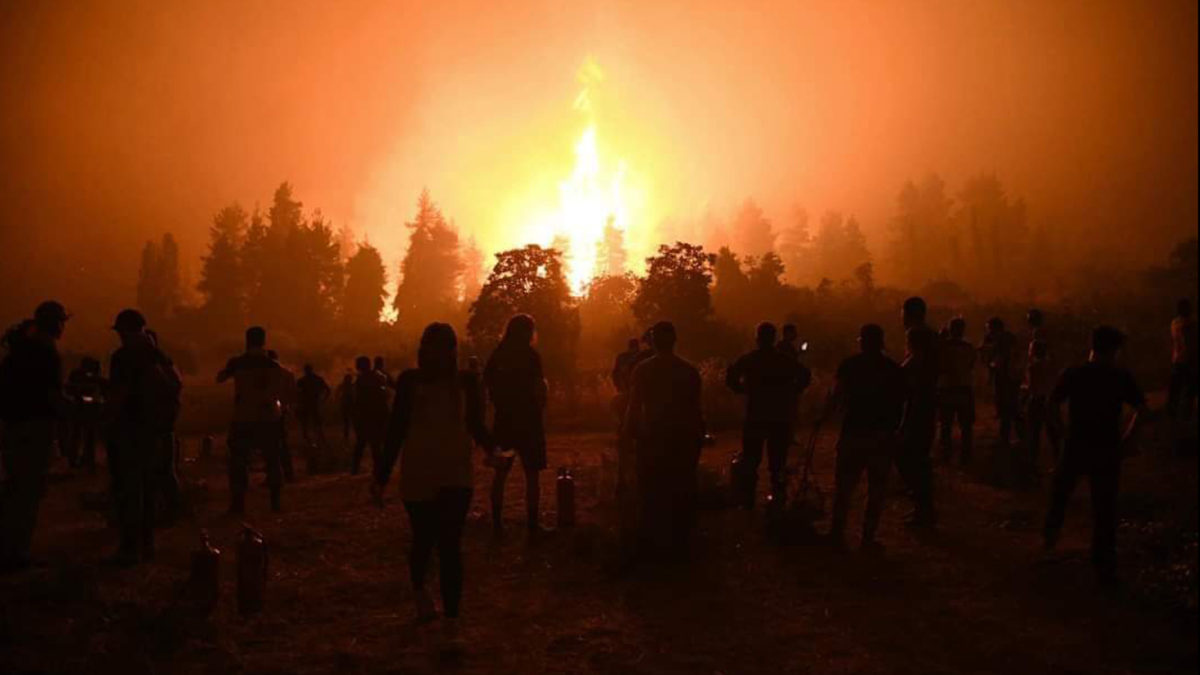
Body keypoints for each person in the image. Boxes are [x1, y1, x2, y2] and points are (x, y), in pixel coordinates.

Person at [372, 323, 494, 635]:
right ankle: (424, 596)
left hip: (452, 474)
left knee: (449, 544)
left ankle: (450, 616)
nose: (441, 354)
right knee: (427, 541)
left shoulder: (465, 383)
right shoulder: (411, 383)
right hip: (423, 474)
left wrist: (494, 450)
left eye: (445, 348)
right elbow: (397, 430)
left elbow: (476, 425)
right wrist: (382, 474)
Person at [1044, 326, 1149, 586]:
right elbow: (1142, 408)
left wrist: (1061, 431)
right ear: (1115, 350)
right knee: (1104, 508)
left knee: (1060, 492)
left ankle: (1051, 534)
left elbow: (1051, 404)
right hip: (1107, 447)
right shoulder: (1120, 377)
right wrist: (1129, 438)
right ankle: (1104, 567)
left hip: (1076, 443)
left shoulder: (1074, 373)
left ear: (1091, 345)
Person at [105, 310, 182, 565]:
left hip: (130, 430)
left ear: (123, 330)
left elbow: (119, 395)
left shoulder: (123, 357)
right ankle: (148, 545)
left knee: (128, 490)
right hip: (158, 430)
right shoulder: (159, 355)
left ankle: (129, 547)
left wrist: (107, 419)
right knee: (149, 490)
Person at [622, 321, 704, 560]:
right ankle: (682, 543)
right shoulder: (689, 371)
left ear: (653, 342)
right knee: (682, 487)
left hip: (653, 437)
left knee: (651, 490)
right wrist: (698, 435)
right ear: (674, 341)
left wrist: (628, 435)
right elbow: (696, 409)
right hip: (682, 438)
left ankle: (653, 543)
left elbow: (634, 406)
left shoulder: (643, 370)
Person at [824, 324, 906, 552]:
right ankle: (867, 538)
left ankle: (837, 533)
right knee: (876, 489)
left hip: (854, 432)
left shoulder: (850, 366)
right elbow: (902, 402)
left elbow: (836, 396)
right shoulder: (892, 368)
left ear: (861, 341)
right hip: (882, 435)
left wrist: (824, 417)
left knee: (844, 487)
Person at [0, 301, 68, 572]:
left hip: (13, 426)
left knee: (12, 488)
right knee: (29, 492)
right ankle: (17, 553)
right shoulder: (48, 353)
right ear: (56, 324)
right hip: (37, 427)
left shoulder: (17, 352)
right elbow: (52, 396)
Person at [725, 322, 812, 508]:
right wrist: (792, 391)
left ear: (757, 339)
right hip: (779, 417)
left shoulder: (750, 359)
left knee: (750, 461)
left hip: (755, 416)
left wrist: (743, 389)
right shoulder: (784, 360)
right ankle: (777, 501)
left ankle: (749, 501)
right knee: (777, 463)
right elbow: (805, 375)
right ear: (773, 339)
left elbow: (730, 377)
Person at [483, 314, 549, 536]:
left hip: (505, 424)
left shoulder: (498, 355)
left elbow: (488, 384)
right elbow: (539, 388)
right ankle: (532, 525)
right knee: (532, 475)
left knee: (500, 474)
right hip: (529, 423)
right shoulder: (531, 357)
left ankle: (497, 524)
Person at [217, 326, 288, 514]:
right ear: (264, 341)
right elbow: (286, 382)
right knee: (272, 459)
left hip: (243, 417)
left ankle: (238, 504)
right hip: (269, 417)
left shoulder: (237, 363)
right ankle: (275, 502)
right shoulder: (273, 364)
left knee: (238, 461)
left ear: (247, 340)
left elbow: (220, 378)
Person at [897, 297, 939, 528]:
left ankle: (923, 506)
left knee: (906, 453)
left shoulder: (916, 333)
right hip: (929, 399)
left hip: (918, 401)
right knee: (919, 455)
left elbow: (915, 362)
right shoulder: (932, 334)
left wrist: (895, 374)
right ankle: (923, 508)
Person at [938, 317, 976, 464]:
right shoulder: (969, 347)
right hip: (964, 388)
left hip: (948, 388)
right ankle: (965, 456)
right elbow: (971, 365)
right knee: (966, 426)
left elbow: (940, 365)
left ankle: (945, 454)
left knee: (946, 425)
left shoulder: (944, 347)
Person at [981, 317, 1020, 445]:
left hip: (1005, 377)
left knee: (1006, 408)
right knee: (1012, 408)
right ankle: (1019, 436)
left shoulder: (1000, 342)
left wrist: (991, 369)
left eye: (989, 329)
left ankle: (1006, 437)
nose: (988, 332)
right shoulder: (1009, 338)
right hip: (1012, 377)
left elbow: (998, 361)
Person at [1023, 339, 1059, 479]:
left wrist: (1023, 390)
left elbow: (1032, 387)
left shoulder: (1033, 367)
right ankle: (1058, 463)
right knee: (1053, 434)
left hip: (1037, 401)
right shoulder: (1051, 365)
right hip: (1050, 401)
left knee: (1034, 434)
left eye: (1030, 348)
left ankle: (1033, 465)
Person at [64, 356, 107, 472]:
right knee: (81, 434)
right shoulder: (80, 377)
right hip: (82, 408)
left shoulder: (93, 379)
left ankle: (85, 459)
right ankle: (80, 459)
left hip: (86, 409)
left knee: (85, 435)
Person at [352, 355, 390, 475]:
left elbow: (358, 400)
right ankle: (378, 469)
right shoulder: (379, 377)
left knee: (361, 443)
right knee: (375, 444)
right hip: (377, 413)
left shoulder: (361, 379)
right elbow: (385, 395)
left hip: (366, 415)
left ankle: (354, 469)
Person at [269, 350, 298, 482]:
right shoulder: (287, 373)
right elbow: (293, 394)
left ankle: (275, 475)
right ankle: (287, 473)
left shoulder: (266, 373)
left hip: (268, 413)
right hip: (280, 412)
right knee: (281, 444)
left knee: (271, 445)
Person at [1168, 298, 1197, 421]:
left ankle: (1173, 414)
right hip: (1188, 361)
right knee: (1190, 389)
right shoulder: (1190, 324)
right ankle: (1185, 416)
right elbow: (1190, 345)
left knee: (1176, 389)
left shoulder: (1174, 323)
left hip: (1177, 360)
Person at [296, 364, 331, 449]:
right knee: (315, 422)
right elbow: (327, 390)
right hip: (314, 403)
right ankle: (319, 439)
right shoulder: (317, 379)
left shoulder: (302, 380)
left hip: (307, 403)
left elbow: (295, 392)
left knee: (307, 422)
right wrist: (323, 400)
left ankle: (310, 439)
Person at [337, 373, 355, 442]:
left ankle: (348, 435)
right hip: (346, 404)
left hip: (350, 404)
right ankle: (346, 435)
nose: (349, 380)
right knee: (346, 421)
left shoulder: (351, 385)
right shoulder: (344, 385)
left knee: (350, 421)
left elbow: (337, 392)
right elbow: (337, 392)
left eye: (349, 379)